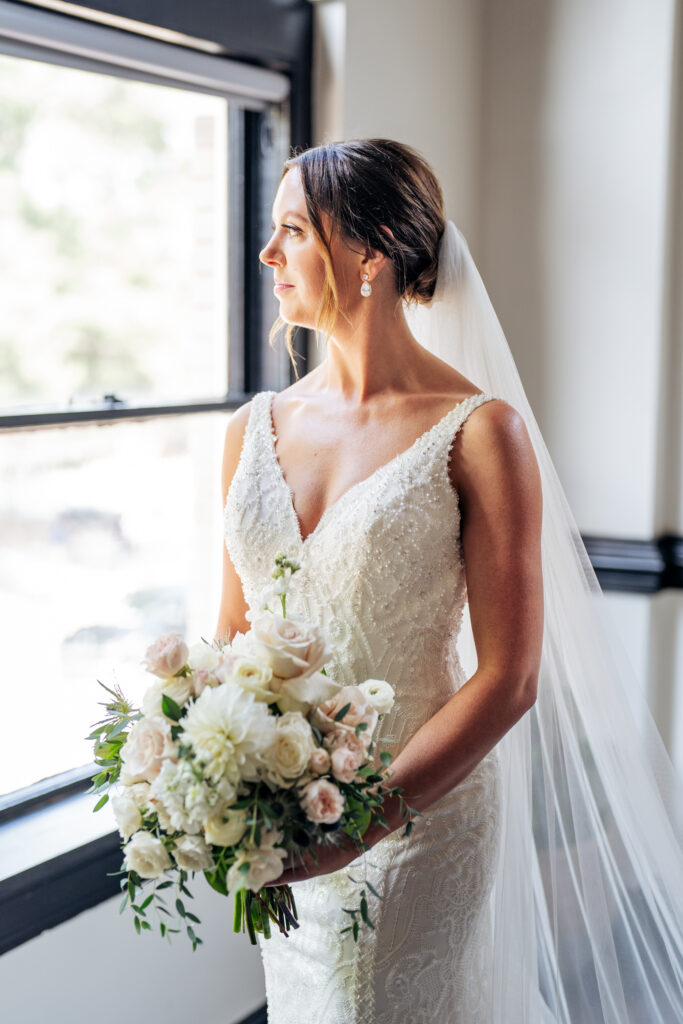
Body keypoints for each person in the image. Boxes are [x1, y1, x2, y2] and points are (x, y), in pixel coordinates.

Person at [217, 140, 683, 1022]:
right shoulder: (252, 429)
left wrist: (355, 830)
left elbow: (509, 678)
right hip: (289, 823)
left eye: (291, 231)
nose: (268, 256)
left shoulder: (479, 432)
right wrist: (214, 782)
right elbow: (232, 636)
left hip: (417, 821)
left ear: (371, 251)